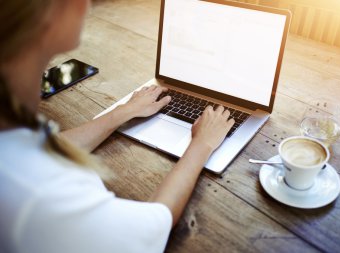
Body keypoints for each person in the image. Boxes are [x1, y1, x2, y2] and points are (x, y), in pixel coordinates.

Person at [0, 1, 234, 253]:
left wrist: (122, 113)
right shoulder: (40, 197)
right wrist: (202, 144)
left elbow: (42, 153)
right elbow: (155, 223)